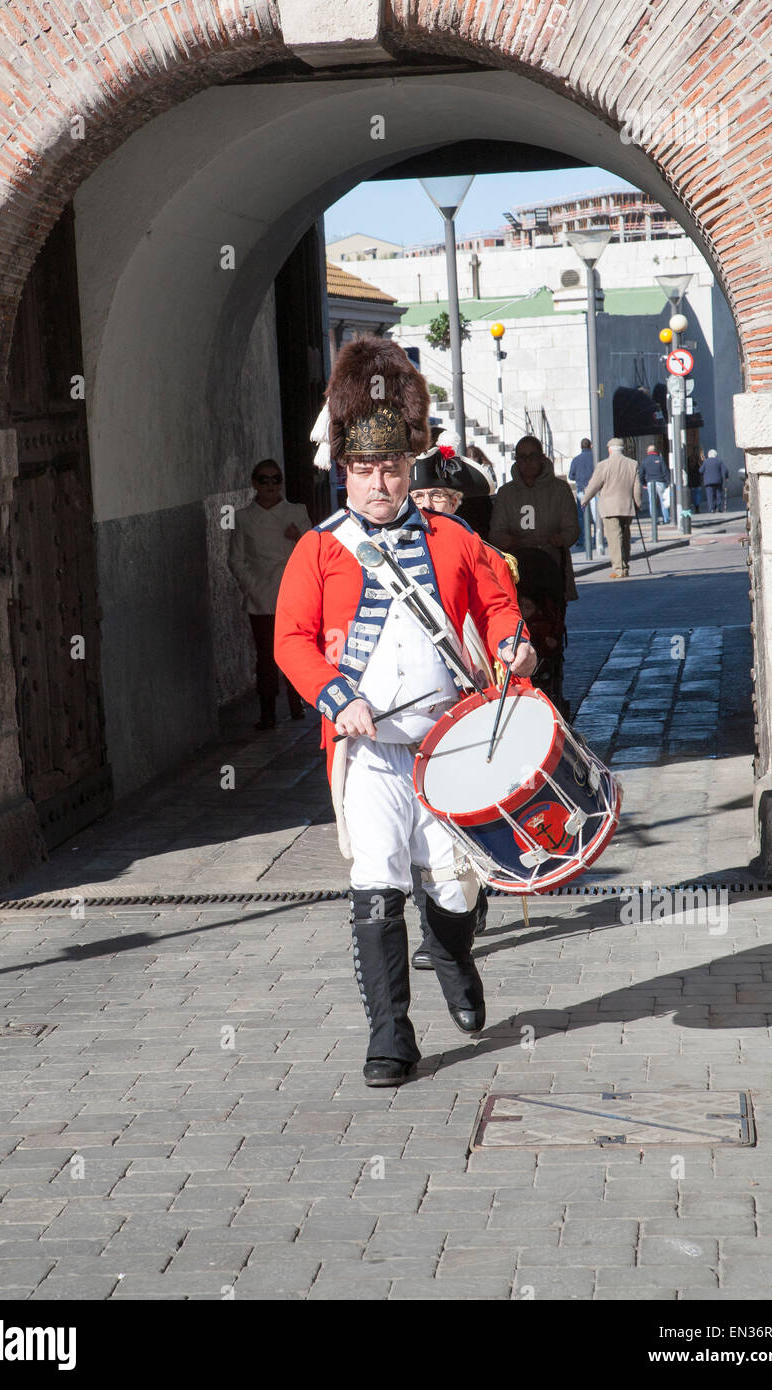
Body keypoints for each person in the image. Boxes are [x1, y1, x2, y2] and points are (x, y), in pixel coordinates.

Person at [275, 336, 535, 1088]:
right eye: (364, 469)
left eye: (390, 468)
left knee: (453, 892)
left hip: (450, 745)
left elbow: (498, 607)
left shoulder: (454, 537)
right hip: (370, 754)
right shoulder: (318, 551)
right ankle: (390, 1036)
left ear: (407, 467)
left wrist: (513, 646)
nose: (379, 481)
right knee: (376, 882)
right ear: (345, 473)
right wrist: (337, 697)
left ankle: (454, 952)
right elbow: (291, 640)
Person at [406, 445, 518, 971]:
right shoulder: (391, 551)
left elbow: (501, 616)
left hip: (471, 692)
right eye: (420, 495)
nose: (428, 504)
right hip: (410, 708)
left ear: (456, 501)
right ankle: (437, 922)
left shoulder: (480, 551)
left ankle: (464, 909)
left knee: (461, 808)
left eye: (439, 496)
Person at [230, 460, 310, 729]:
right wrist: (252, 586)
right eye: (264, 480)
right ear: (254, 484)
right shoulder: (243, 518)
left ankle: (296, 700)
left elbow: (312, 551)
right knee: (265, 656)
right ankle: (267, 712)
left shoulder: (296, 512)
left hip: (292, 593)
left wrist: (298, 537)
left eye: (275, 480)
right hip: (260, 595)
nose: (270, 485)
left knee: (296, 649)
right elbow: (236, 559)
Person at [488, 435, 580, 607]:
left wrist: (561, 539)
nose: (528, 462)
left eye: (533, 456)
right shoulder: (506, 493)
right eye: (522, 457)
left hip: (553, 566)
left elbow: (572, 527)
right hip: (518, 569)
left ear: (541, 458)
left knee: (552, 618)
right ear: (516, 460)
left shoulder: (560, 490)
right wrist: (508, 541)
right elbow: (496, 532)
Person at [581, 438, 643, 579]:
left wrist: (584, 500)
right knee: (625, 537)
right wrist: (638, 504)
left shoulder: (604, 465)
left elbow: (594, 485)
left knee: (614, 538)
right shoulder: (632, 464)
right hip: (627, 506)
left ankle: (619, 568)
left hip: (609, 507)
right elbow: (637, 488)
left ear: (609, 449)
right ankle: (625, 565)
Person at [568, 437, 596, 548]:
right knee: (595, 515)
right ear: (590, 446)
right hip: (594, 490)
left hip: (581, 490)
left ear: (581, 447)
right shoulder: (595, 458)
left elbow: (571, 476)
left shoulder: (576, 460)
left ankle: (581, 539)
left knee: (581, 516)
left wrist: (579, 478)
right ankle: (598, 538)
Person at [639, 445, 671, 521]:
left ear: (648, 451)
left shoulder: (644, 461)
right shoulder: (660, 459)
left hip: (650, 483)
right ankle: (666, 519)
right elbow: (665, 472)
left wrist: (643, 484)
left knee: (652, 502)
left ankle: (654, 520)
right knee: (663, 501)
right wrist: (668, 482)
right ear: (655, 451)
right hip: (660, 482)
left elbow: (641, 474)